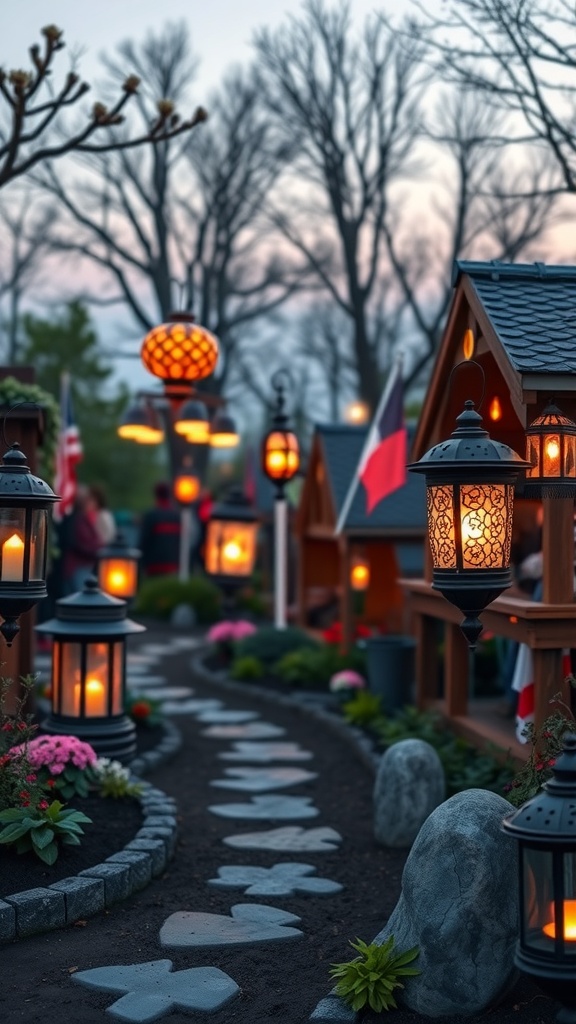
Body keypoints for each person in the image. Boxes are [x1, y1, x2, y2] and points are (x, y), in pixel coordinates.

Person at [59, 485, 103, 595]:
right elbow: (76, 542)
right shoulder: (77, 519)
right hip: (79, 567)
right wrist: (97, 550)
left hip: (83, 566)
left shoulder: (81, 518)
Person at [138, 481, 181, 578]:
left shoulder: (151, 516)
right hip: (174, 567)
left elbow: (144, 541)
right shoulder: (177, 516)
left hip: (153, 567)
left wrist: (141, 565)